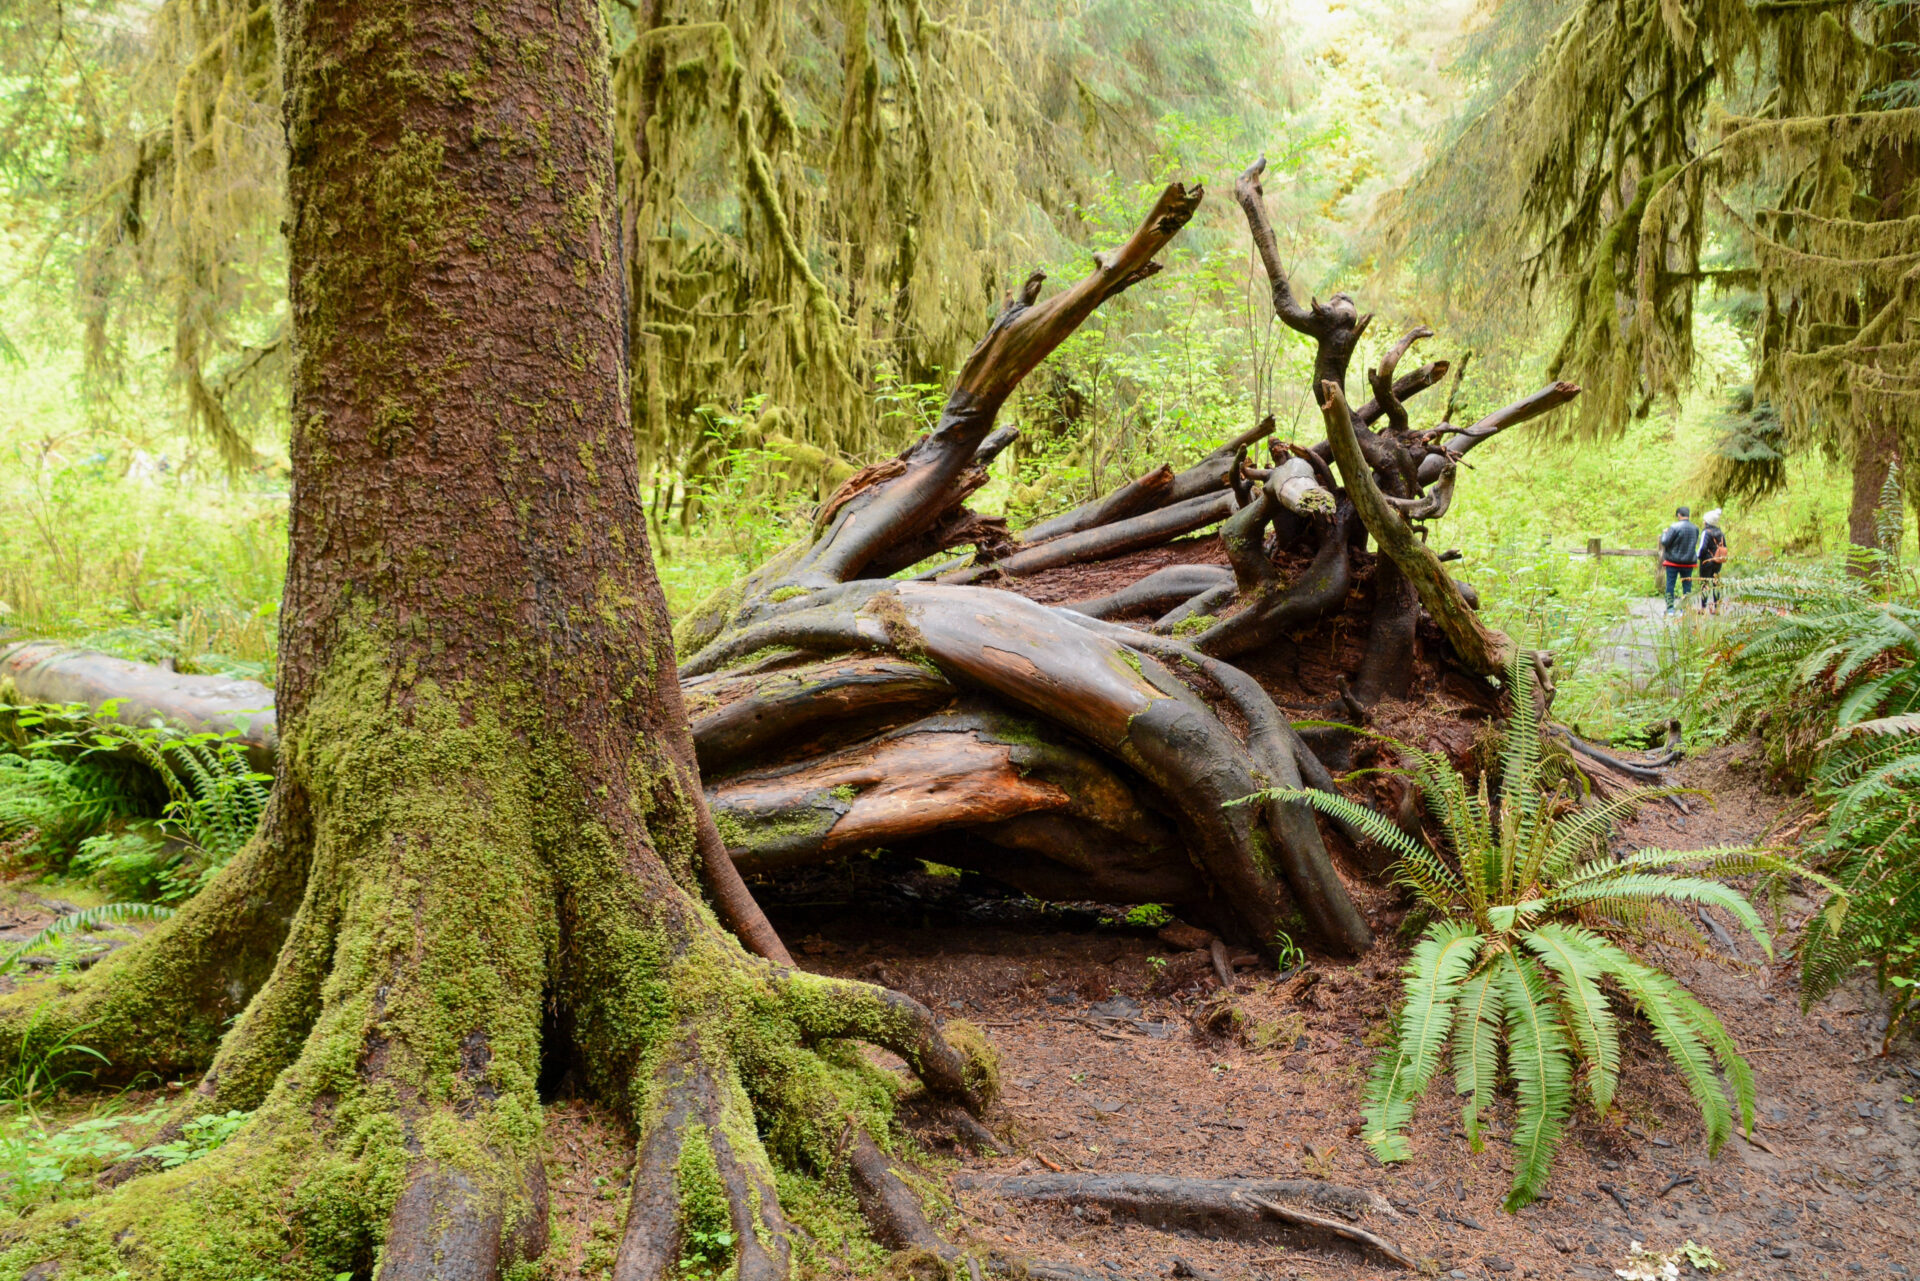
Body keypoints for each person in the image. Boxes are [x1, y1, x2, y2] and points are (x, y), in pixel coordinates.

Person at [1658, 505, 1701, 613]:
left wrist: (1664, 533)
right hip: (1689, 562)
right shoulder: (1695, 528)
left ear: (1679, 515)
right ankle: (1685, 610)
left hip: (1673, 561)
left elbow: (1665, 542)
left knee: (1670, 585)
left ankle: (1670, 609)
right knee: (1687, 587)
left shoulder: (1674, 527)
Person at [1696, 508, 1729, 612]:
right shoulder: (1720, 532)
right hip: (1718, 561)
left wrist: (1698, 557)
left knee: (1705, 584)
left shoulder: (1706, 532)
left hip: (1706, 561)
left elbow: (1702, 547)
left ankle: (1703, 607)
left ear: (1707, 521)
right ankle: (1717, 607)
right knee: (1716, 584)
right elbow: (1724, 546)